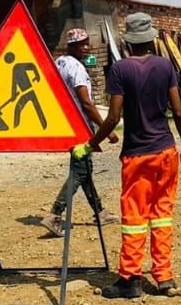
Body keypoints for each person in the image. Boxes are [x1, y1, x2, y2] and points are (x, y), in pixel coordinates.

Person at [85, 12, 181, 299]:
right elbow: (179, 111)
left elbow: (113, 118)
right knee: (162, 215)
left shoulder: (120, 70)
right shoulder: (166, 66)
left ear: (127, 42)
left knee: (135, 217)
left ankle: (130, 279)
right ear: (151, 39)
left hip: (137, 155)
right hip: (167, 151)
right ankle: (164, 278)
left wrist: (90, 144)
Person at [40, 29, 121, 237]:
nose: (86, 47)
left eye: (87, 43)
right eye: (81, 44)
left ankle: (100, 212)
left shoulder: (60, 63)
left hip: (65, 123)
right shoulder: (76, 68)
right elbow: (87, 103)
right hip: (80, 127)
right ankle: (55, 214)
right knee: (80, 172)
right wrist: (106, 129)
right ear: (71, 45)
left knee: (84, 170)